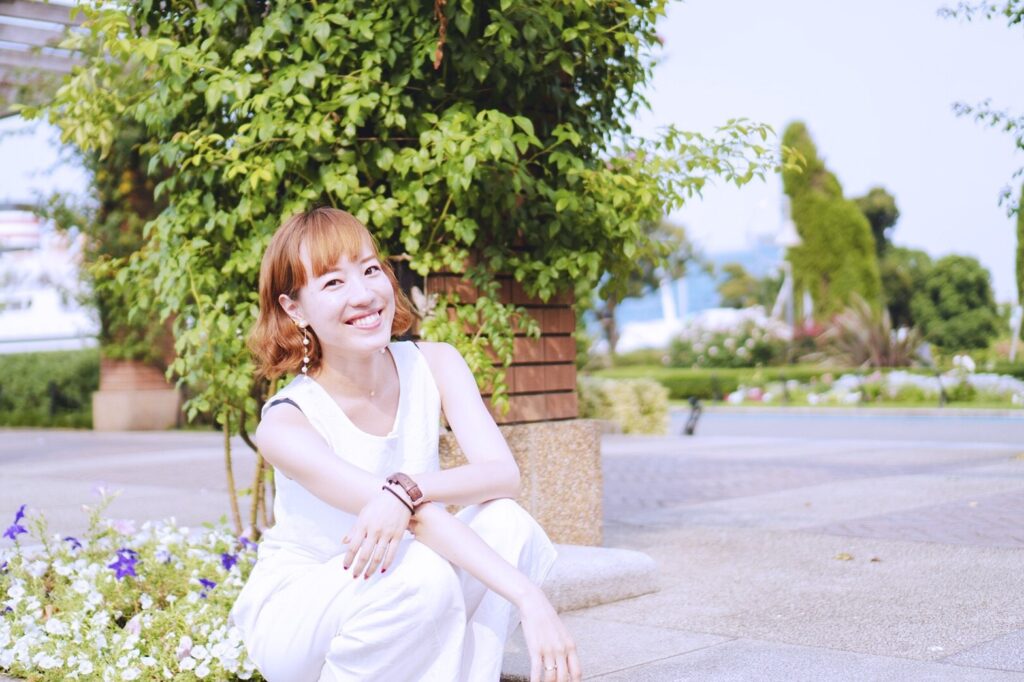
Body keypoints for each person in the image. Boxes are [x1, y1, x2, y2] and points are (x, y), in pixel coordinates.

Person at [230, 207, 581, 682]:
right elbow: (419, 519)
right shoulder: (287, 423)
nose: (364, 294)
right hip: (305, 613)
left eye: (370, 269)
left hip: (400, 576)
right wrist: (528, 595)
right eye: (333, 283)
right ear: (295, 309)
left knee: (506, 523)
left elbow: (503, 475)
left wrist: (404, 488)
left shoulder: (436, 362)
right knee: (424, 574)